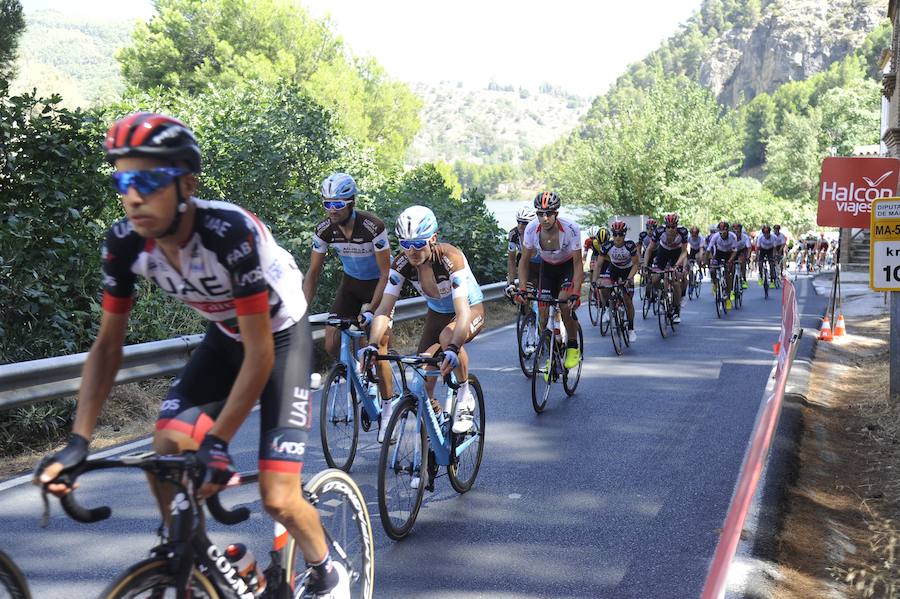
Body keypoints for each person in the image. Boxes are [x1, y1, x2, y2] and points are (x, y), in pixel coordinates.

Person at [34, 113, 349, 597]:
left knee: (278, 497)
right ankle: (197, 556)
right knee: (166, 450)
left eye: (148, 180)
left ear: (186, 184)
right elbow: (107, 346)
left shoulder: (227, 233)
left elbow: (261, 352)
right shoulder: (125, 243)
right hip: (225, 338)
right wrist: (79, 441)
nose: (133, 195)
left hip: (281, 340)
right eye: (123, 179)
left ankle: (327, 569)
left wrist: (219, 441)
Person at [363, 205, 484, 435]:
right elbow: (384, 309)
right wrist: (372, 345)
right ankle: (436, 429)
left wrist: (453, 348)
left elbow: (462, 312)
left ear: (433, 239)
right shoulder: (401, 264)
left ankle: (465, 394)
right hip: (437, 314)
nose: (412, 251)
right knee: (421, 382)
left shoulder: (450, 258)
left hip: (468, 309)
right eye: (406, 244)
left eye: (419, 243)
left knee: (448, 337)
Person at [303, 172, 394, 441]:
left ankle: (387, 410)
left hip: (379, 286)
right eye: (327, 204)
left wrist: (372, 308)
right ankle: (355, 371)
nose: (332, 210)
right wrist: (300, 309)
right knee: (331, 343)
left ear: (351, 202)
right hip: (351, 285)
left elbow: (386, 272)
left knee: (379, 348)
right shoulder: (324, 230)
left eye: (338, 204)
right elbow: (313, 273)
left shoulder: (372, 227)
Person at [515, 191, 583, 369]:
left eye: (549, 213)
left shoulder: (571, 229)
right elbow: (524, 260)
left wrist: (576, 292)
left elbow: (577, 263)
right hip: (547, 268)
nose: (544, 218)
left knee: (563, 304)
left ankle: (573, 346)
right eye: (540, 213)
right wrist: (522, 288)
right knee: (543, 314)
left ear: (556, 214)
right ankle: (552, 353)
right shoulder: (531, 229)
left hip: (567, 267)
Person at [592, 220, 639, 342]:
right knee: (603, 287)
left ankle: (631, 328)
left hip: (627, 270)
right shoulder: (607, 246)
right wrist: (594, 280)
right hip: (613, 269)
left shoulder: (630, 245)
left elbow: (635, 265)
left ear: (624, 234)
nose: (618, 237)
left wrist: (629, 278)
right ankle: (608, 307)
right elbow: (598, 265)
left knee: (628, 300)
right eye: (615, 234)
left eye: (620, 234)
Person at [643, 213, 689, 323]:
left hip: (676, 253)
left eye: (673, 227)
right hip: (663, 252)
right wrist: (645, 266)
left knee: (675, 281)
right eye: (668, 226)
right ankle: (662, 295)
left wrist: (678, 265)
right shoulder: (659, 232)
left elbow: (684, 252)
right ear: (665, 226)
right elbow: (649, 249)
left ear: (676, 226)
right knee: (654, 279)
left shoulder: (682, 232)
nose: (670, 229)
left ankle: (676, 309)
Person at [505, 207, 540, 312]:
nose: (520, 226)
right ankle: (528, 317)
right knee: (524, 292)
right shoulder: (514, 234)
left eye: (524, 223)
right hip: (525, 262)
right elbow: (511, 260)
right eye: (518, 222)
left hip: (542, 262)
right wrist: (511, 282)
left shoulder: (539, 233)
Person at [706, 220, 739, 309]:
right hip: (719, 253)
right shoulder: (715, 236)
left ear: (728, 231)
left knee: (728, 274)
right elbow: (708, 250)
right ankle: (715, 284)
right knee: (713, 270)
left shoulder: (733, 236)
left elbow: (735, 251)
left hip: (730, 253)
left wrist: (730, 261)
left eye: (724, 232)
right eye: (720, 232)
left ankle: (728, 297)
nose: (722, 234)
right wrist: (709, 261)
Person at [732, 222, 751, 289]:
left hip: (742, 250)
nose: (736, 233)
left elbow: (749, 248)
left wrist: (748, 256)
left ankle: (744, 280)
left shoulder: (745, 237)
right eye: (735, 231)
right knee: (732, 265)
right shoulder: (731, 236)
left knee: (742, 262)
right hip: (733, 250)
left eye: (738, 231)